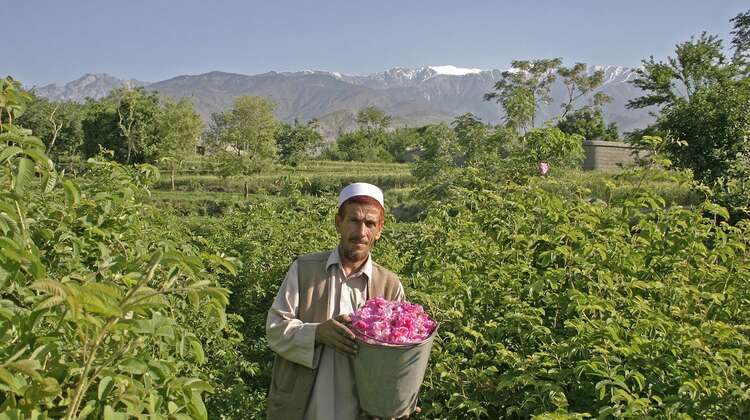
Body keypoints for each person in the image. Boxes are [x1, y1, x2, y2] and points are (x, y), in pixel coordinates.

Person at [265, 183, 418, 420]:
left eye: (370, 224)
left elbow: (399, 356)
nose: (361, 232)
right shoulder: (305, 270)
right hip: (305, 409)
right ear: (339, 223)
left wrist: (398, 400)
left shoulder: (389, 284)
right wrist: (316, 333)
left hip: (361, 411)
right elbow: (275, 329)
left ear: (379, 229)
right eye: (354, 221)